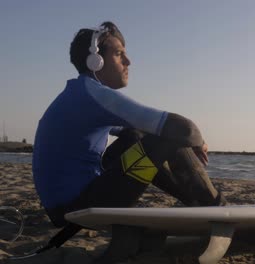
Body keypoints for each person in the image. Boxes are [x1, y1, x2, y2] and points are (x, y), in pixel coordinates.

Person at [32, 21, 226, 251]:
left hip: (65, 206)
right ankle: (217, 207)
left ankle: (198, 204)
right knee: (168, 136)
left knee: (135, 137)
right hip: (77, 206)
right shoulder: (95, 94)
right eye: (119, 54)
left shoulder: (79, 93)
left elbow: (135, 132)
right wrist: (198, 142)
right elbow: (183, 128)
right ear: (96, 60)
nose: (128, 61)